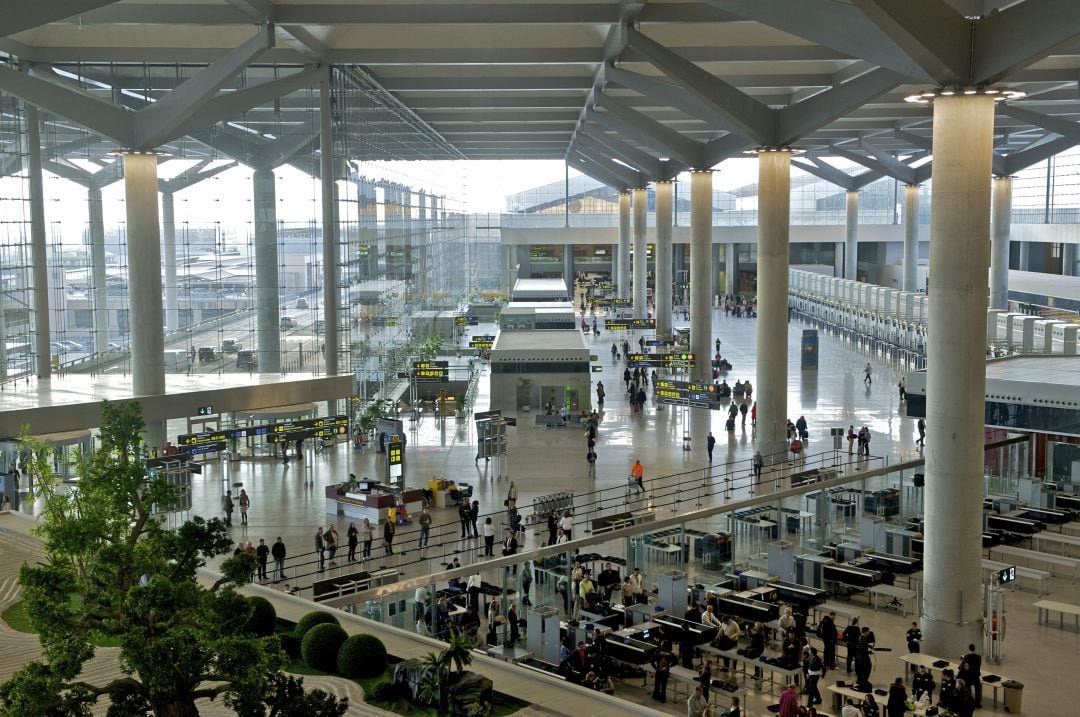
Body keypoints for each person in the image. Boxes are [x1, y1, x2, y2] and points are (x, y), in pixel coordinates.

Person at [962, 643, 983, 708]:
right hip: (976, 676)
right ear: (974, 649)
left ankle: (969, 703)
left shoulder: (966, 657)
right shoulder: (979, 657)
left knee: (968, 690)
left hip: (968, 677)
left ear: (969, 649)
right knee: (977, 690)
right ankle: (977, 704)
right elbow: (979, 665)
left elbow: (965, 667)